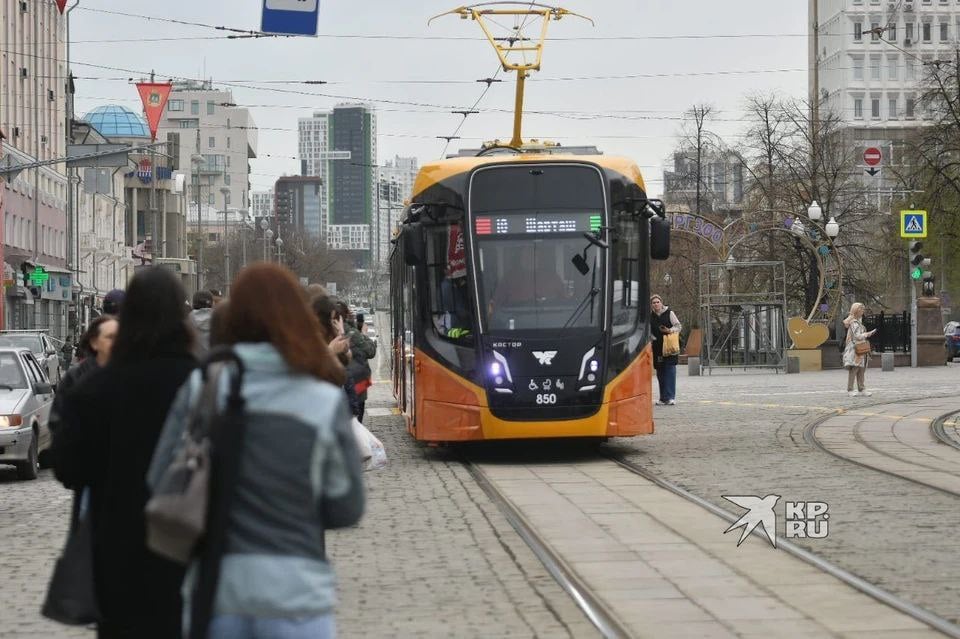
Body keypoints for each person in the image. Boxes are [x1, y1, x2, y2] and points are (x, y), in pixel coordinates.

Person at [149, 263, 363, 639]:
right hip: (296, 592)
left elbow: (159, 476)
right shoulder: (321, 395)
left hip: (217, 589)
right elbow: (346, 505)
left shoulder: (205, 385)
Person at [50, 267, 196, 639]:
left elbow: (67, 467)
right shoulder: (201, 380)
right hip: (188, 540)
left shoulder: (96, 386)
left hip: (116, 543)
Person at [336, 300, 377, 421]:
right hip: (355, 386)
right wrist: (363, 333)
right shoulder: (351, 332)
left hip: (335, 389)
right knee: (356, 423)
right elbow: (370, 351)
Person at [650, 294, 682, 405]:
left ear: (661, 302)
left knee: (670, 371)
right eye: (654, 303)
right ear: (651, 305)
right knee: (661, 372)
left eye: (657, 302)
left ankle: (670, 397)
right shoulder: (650, 316)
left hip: (669, 346)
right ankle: (663, 398)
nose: (656, 304)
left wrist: (670, 330)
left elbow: (678, 326)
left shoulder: (669, 313)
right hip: (658, 347)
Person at [842, 302, 877, 397]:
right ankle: (850, 389)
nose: (863, 311)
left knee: (861, 369)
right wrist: (868, 334)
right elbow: (857, 336)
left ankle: (862, 388)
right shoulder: (854, 323)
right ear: (856, 311)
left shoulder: (858, 322)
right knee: (855, 368)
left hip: (860, 349)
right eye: (861, 309)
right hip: (855, 349)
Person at [190, 290, 215, 357]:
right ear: (212, 303)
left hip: (192, 363)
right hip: (214, 362)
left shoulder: (187, 321)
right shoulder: (219, 319)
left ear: (193, 303)